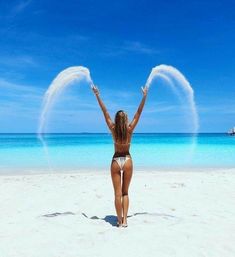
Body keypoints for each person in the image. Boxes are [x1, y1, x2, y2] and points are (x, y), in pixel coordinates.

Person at [92, 85, 148, 227]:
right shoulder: (130, 129)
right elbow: (138, 113)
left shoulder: (112, 129)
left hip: (116, 160)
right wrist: (144, 96)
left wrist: (97, 95)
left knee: (117, 194)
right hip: (128, 160)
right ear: (126, 119)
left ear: (117, 120)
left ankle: (118, 220)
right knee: (125, 193)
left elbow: (104, 111)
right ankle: (125, 220)